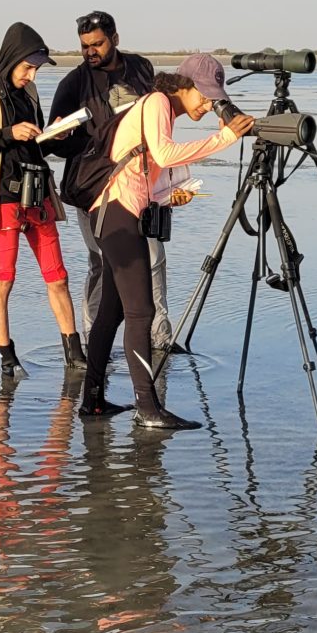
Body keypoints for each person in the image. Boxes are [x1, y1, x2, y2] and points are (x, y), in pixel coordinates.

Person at [79, 54, 253, 429]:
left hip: (114, 211)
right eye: (204, 97)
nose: (208, 105)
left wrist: (166, 196)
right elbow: (164, 153)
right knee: (141, 313)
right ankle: (148, 408)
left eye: (212, 99)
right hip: (118, 214)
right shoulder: (158, 102)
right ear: (183, 85)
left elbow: (142, 170)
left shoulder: (160, 109)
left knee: (112, 311)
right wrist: (225, 137)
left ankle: (92, 401)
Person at [0, 21, 86, 379]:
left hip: (36, 191)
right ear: (10, 59)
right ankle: (7, 357)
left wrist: (57, 135)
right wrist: (8, 133)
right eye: (28, 67)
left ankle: (75, 352)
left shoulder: (31, 93)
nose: (31, 74)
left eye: (36, 69)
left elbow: (36, 145)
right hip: (0, 197)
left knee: (58, 276)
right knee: (4, 278)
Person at [47, 11, 184, 351]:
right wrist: (63, 134)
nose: (90, 51)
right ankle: (96, 339)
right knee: (102, 263)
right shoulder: (73, 83)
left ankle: (160, 338)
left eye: (97, 44)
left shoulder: (141, 69)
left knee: (154, 258)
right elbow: (51, 143)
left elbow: (160, 124)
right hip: (93, 189)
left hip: (142, 184)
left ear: (115, 38)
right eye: (84, 46)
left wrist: (169, 182)